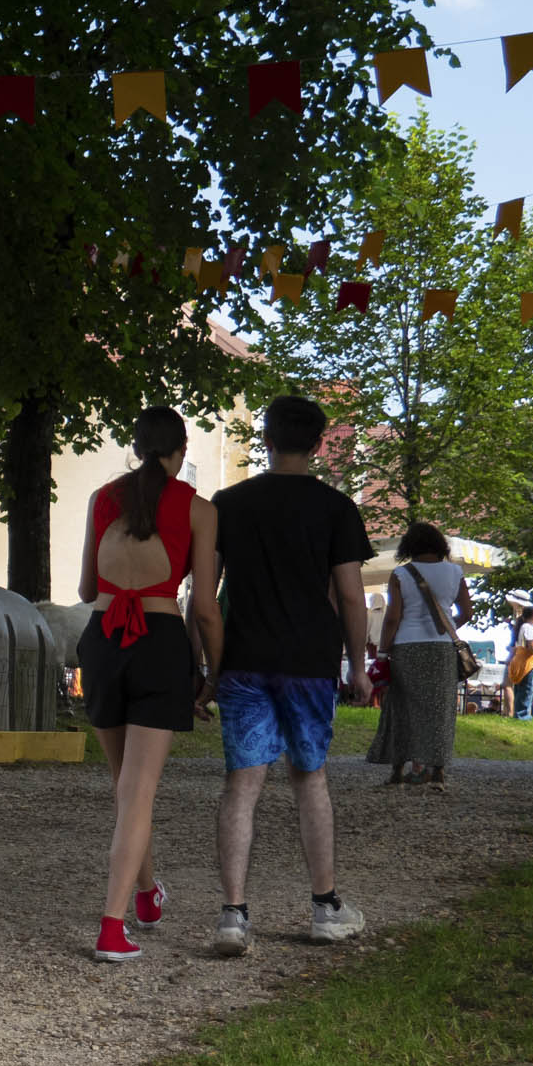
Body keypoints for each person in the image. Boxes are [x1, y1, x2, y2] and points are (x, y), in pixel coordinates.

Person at [207, 394, 376, 956]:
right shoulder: (336, 508)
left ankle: (233, 916)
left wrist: (207, 666)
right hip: (310, 664)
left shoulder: (227, 504)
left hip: (244, 660)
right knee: (311, 779)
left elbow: (202, 598)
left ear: (268, 439)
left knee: (242, 785)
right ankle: (325, 907)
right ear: (319, 443)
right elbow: (352, 596)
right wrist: (358, 665)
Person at [73, 405, 221, 962]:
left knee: (125, 788)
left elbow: (87, 589)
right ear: (179, 452)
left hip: (104, 639)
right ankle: (112, 928)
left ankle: (146, 895)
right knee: (137, 793)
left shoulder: (102, 499)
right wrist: (213, 668)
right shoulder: (199, 509)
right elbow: (204, 608)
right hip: (158, 642)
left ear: (136, 448)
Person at [366, 522, 472, 785]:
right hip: (442, 649)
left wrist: (382, 652)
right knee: (440, 709)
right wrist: (445, 628)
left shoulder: (401, 574)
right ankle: (437, 772)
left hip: (407, 647)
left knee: (402, 707)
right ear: (440, 545)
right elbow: (467, 613)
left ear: (409, 546)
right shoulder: (455, 572)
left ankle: (397, 771)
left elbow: (392, 617)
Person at [503, 595, 533, 721]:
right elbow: (532, 646)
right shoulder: (527, 626)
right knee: (526, 690)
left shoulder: (521, 624)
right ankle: (522, 715)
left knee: (518, 688)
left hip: (518, 658)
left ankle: (515, 713)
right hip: (525, 662)